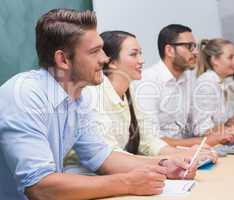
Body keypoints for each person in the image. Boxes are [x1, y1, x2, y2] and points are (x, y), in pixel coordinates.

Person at [0, 9, 197, 200]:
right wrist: (127, 183)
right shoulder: (24, 95)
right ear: (63, 59)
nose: (104, 58)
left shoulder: (78, 97)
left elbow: (103, 157)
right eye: (95, 51)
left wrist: (164, 165)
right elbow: (40, 188)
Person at [78, 30, 216, 160]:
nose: (141, 60)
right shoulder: (93, 94)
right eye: (134, 54)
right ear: (112, 62)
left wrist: (184, 153)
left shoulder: (128, 92)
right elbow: (110, 155)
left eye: (140, 53)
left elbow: (148, 140)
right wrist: (172, 159)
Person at [134, 24, 234, 147]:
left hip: (186, 153)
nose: (196, 52)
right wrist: (205, 141)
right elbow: (152, 141)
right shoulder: (147, 82)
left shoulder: (189, 80)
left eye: (195, 47)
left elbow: (198, 127)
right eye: (190, 47)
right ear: (170, 50)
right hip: (162, 157)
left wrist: (225, 133)